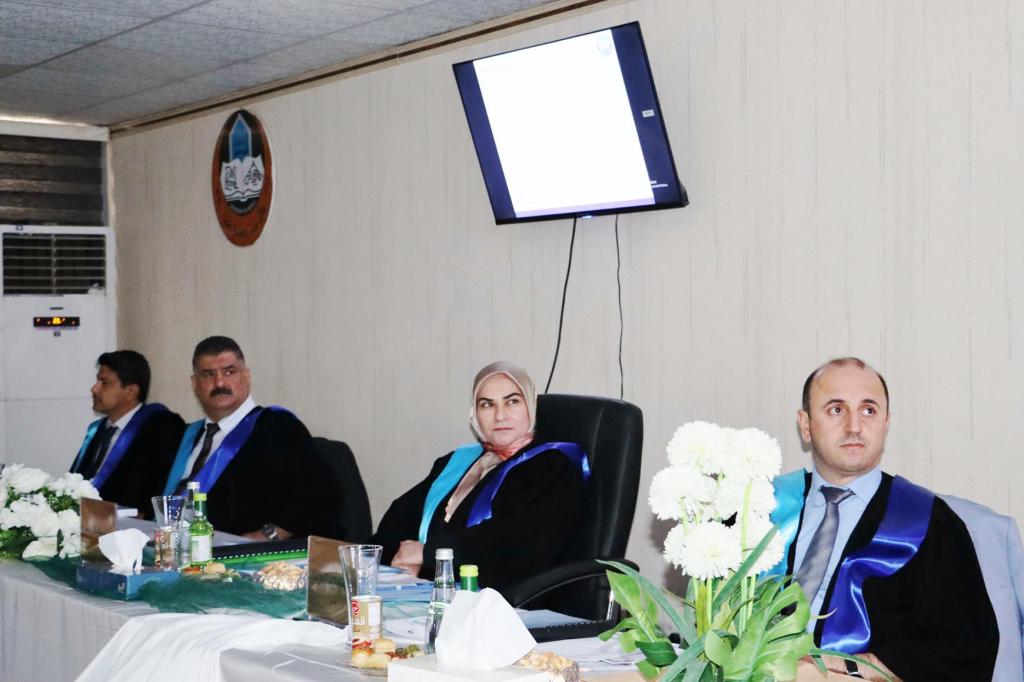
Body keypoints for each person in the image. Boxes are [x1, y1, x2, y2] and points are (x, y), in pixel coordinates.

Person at [771, 357, 998, 681]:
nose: (854, 426)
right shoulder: (761, 509)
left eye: (868, 410)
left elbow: (967, 648)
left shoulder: (931, 523)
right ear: (806, 425)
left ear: (886, 422)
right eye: (836, 409)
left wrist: (851, 666)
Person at [371, 361, 588, 592]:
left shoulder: (552, 467)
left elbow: (516, 543)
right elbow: (395, 524)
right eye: (487, 405)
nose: (500, 416)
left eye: (512, 401)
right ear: (475, 414)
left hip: (508, 602)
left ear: (530, 406)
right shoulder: (456, 462)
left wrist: (428, 554)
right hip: (434, 594)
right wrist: (401, 557)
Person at [163, 336, 340, 540]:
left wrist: (267, 536)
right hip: (173, 547)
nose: (219, 382)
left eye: (229, 372)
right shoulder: (185, 436)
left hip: (240, 553)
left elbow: (320, 497)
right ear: (195, 383)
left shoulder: (277, 426)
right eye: (208, 374)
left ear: (246, 376)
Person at [70, 351, 185, 518]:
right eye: (97, 381)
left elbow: (163, 484)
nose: (94, 389)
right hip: (87, 519)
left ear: (130, 391)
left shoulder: (161, 426)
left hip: (129, 525)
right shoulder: (97, 430)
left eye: (104, 382)